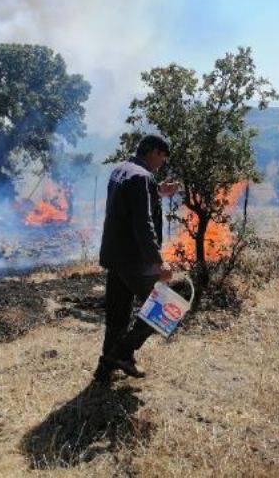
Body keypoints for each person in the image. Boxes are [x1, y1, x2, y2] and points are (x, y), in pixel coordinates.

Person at [94, 134, 179, 383]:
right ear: (153, 152)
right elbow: (143, 223)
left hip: (114, 255)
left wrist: (158, 191)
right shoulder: (142, 177)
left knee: (118, 316)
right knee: (167, 306)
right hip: (134, 259)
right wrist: (157, 261)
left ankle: (104, 370)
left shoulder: (121, 170)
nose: (161, 164)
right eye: (162, 158)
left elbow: (130, 204)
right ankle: (122, 353)